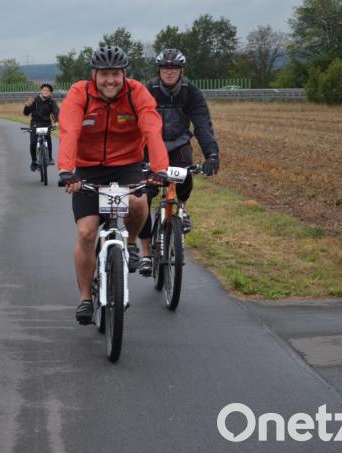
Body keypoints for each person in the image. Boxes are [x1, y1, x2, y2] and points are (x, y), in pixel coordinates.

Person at [57, 46, 169, 324]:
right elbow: (69, 129)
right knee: (86, 232)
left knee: (139, 202)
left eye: (116, 74)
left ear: (124, 74)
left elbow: (152, 130)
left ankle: (130, 243)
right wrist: (66, 170)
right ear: (93, 74)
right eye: (104, 74)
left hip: (127, 165)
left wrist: (159, 170)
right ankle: (85, 297)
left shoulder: (137, 93)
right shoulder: (79, 93)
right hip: (87, 169)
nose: (110, 80)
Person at [137, 49, 221, 277]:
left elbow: (203, 124)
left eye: (174, 68)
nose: (169, 72)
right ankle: (145, 254)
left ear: (181, 70)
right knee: (143, 195)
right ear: (159, 70)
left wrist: (212, 155)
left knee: (186, 178)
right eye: (165, 67)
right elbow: (135, 122)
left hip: (178, 145)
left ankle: (180, 210)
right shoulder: (148, 90)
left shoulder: (191, 92)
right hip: (150, 146)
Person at [23, 82, 60, 170]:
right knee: (33, 143)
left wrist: (57, 122)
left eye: (48, 90)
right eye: (44, 90)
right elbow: (26, 113)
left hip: (46, 124)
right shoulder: (35, 100)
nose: (46, 92)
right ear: (41, 91)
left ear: (50, 93)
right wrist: (27, 105)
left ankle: (50, 157)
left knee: (48, 138)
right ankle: (34, 161)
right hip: (35, 124)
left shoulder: (51, 102)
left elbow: (56, 112)